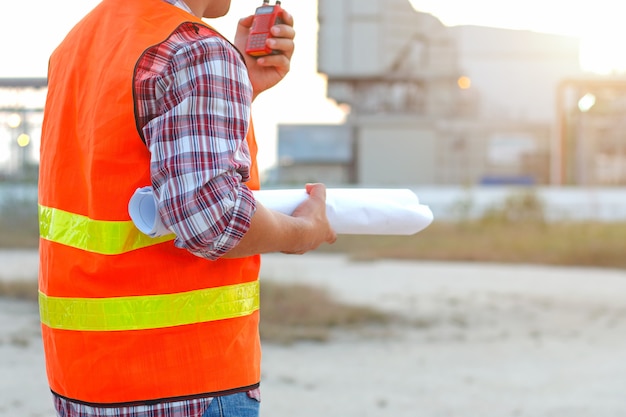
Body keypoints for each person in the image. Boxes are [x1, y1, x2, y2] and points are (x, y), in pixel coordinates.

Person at [37, 0, 336, 416]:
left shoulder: (78, 43)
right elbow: (212, 221)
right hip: (187, 382)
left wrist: (238, 85)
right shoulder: (194, 48)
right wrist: (304, 230)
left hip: (85, 383)